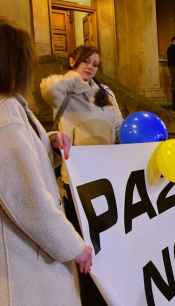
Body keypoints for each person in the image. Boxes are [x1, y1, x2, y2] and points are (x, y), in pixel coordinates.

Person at [0, 20, 92, 306]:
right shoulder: (6, 117)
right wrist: (74, 246)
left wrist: (50, 141)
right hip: (27, 260)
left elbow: (24, 160)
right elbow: (28, 198)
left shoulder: (12, 108)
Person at [41, 45, 123, 306]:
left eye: (96, 64)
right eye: (86, 61)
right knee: (85, 240)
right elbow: (49, 89)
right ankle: (88, 295)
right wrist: (73, 79)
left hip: (106, 176)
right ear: (73, 60)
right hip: (77, 179)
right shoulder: (63, 89)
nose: (91, 67)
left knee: (107, 240)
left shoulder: (106, 93)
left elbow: (119, 126)